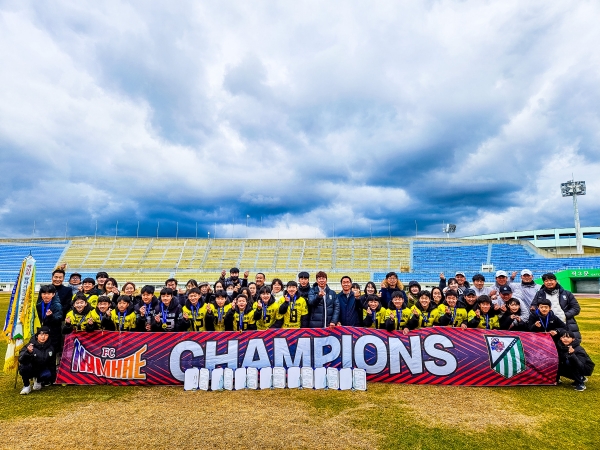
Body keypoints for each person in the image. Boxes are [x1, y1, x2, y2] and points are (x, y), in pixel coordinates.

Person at [531, 273, 581, 340]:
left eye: (551, 280)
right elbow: (534, 306)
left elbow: (576, 308)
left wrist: (565, 315)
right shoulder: (539, 293)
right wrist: (540, 314)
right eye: (546, 281)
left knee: (569, 345)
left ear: (556, 281)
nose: (549, 282)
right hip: (547, 324)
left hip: (565, 323)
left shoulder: (567, 293)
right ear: (543, 282)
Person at [19, 326, 56, 395]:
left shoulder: (51, 348)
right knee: (24, 367)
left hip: (41, 369)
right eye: (41, 335)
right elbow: (21, 359)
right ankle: (26, 386)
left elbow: (52, 363)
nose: (43, 337)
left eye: (46, 335)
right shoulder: (29, 346)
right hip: (31, 368)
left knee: (48, 373)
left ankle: (38, 380)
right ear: (37, 336)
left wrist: (53, 378)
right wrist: (28, 352)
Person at [35, 285, 63, 352]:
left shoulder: (57, 305)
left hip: (53, 333)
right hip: (41, 332)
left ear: (53, 294)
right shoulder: (38, 305)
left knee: (52, 352)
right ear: (41, 294)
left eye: (49, 294)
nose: (46, 296)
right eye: (44, 293)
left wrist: (51, 316)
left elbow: (59, 319)